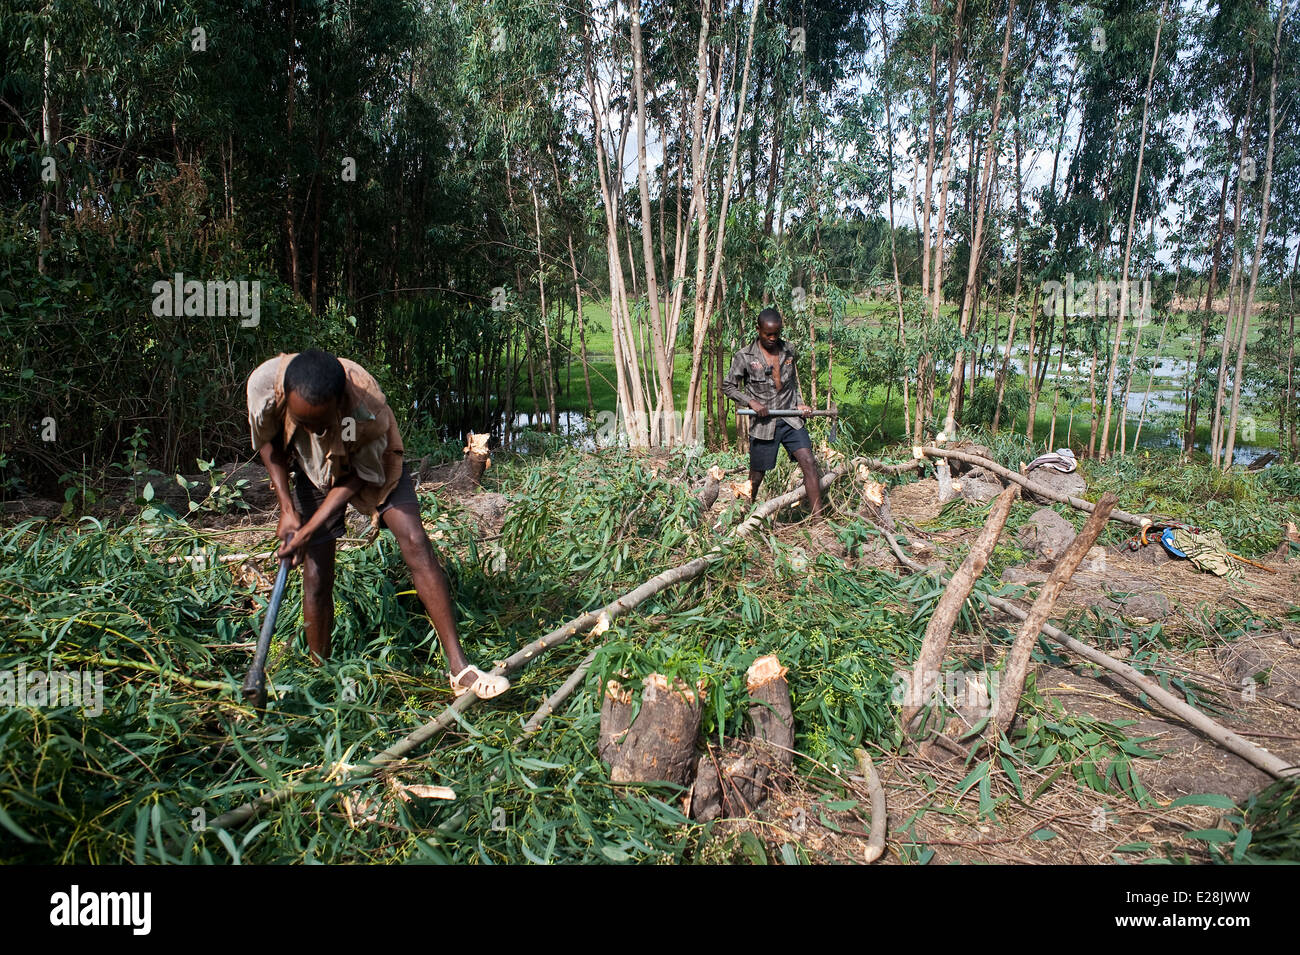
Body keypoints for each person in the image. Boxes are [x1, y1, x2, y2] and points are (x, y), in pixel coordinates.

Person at [245, 349, 508, 699]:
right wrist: (286, 508)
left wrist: (307, 530)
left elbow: (356, 478)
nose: (310, 431)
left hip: (371, 465)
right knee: (316, 574)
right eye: (302, 422)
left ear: (339, 405)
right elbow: (268, 442)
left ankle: (460, 669)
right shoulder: (263, 387)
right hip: (311, 471)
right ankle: (318, 674)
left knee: (414, 540)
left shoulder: (366, 411)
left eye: (320, 424)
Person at [721, 308, 824, 517]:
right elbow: (728, 387)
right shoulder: (744, 356)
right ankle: (746, 518)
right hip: (764, 425)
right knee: (757, 476)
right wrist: (751, 402)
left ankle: (818, 519)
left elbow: (791, 384)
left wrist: (800, 404)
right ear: (758, 329)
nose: (772, 338)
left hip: (790, 420)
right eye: (768, 334)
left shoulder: (789, 350)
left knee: (809, 462)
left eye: (776, 333)